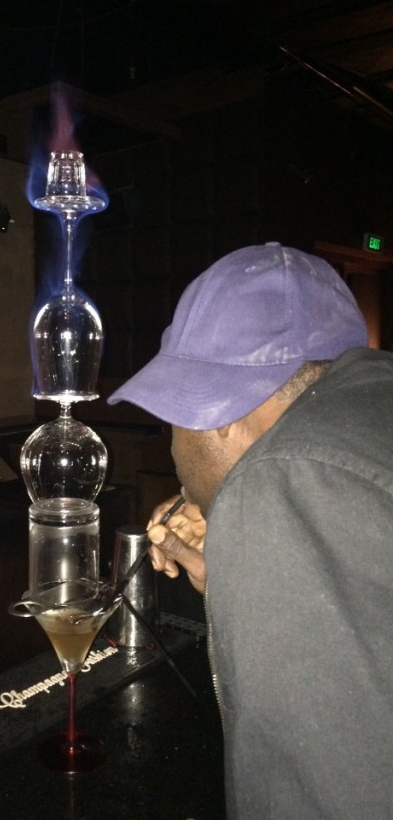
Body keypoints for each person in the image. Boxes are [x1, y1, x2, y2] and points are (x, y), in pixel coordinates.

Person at [108, 242, 393, 817]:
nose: (173, 445)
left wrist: (252, 515)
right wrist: (243, 575)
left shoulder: (281, 481)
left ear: (220, 415)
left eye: (170, 420)